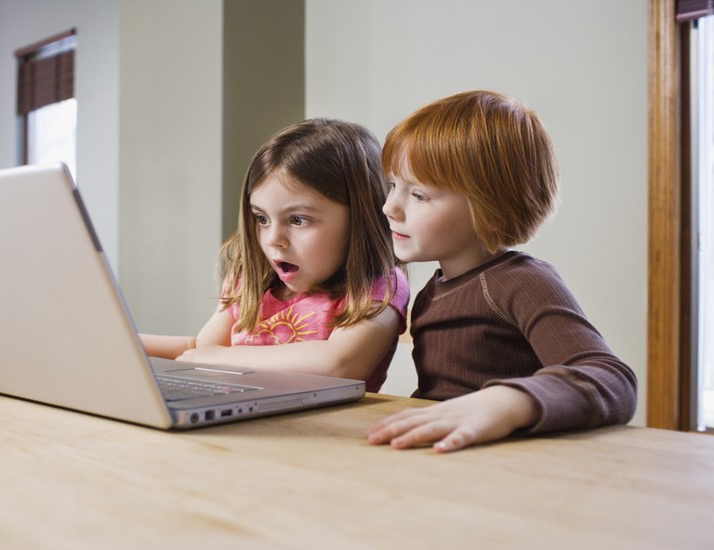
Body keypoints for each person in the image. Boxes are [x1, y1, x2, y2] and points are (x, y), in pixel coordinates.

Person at [366, 90, 637, 452]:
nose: (389, 207)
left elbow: (611, 378)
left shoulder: (521, 281)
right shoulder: (435, 288)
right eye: (393, 186)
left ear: (488, 205)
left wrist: (506, 403)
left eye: (419, 195)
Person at [141, 119, 410, 392]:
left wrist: (223, 358)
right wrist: (122, 342)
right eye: (262, 218)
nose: (273, 240)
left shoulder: (379, 286)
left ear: (360, 219)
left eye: (298, 220)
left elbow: (339, 364)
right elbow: (201, 349)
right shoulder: (252, 279)